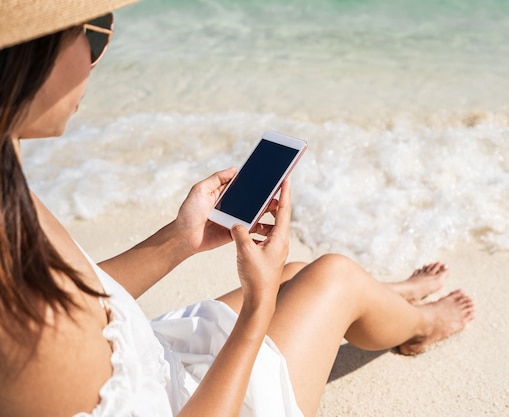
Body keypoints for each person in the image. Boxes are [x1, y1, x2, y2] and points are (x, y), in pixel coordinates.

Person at [0, 1, 476, 416]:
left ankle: (387, 296)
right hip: (186, 402)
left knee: (296, 272)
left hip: (144, 360)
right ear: (22, 54)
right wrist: (257, 307)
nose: (96, 55)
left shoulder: (8, 190)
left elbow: (75, 302)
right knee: (334, 275)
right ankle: (422, 325)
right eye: (90, 29)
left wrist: (178, 240)